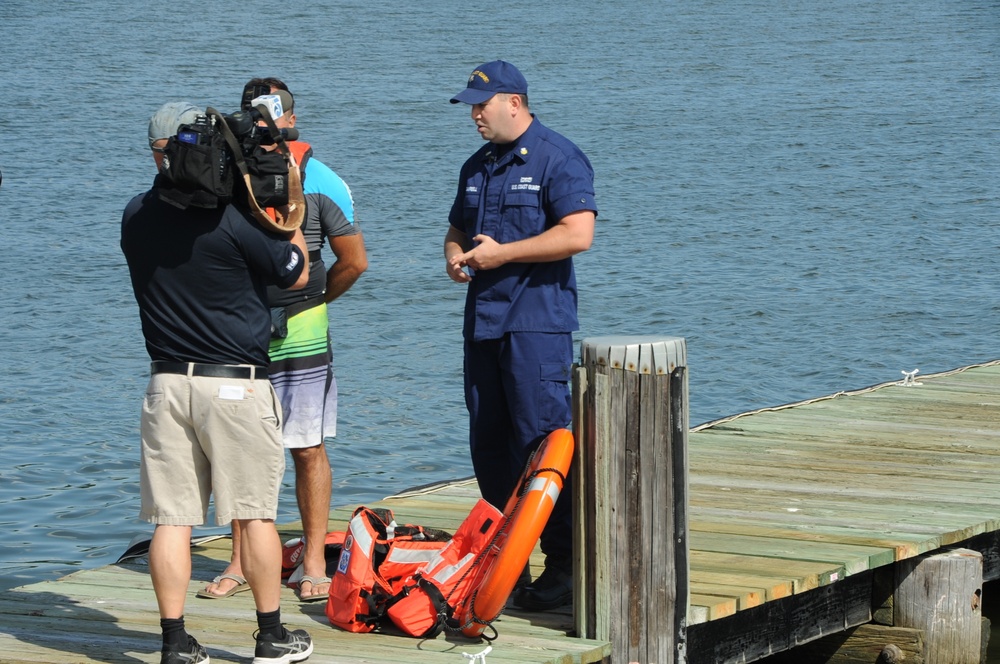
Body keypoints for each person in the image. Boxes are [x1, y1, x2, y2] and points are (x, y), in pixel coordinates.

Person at [123, 101, 314, 663]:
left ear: (160, 155)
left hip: (167, 385)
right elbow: (293, 270)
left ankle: (175, 643)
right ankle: (271, 636)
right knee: (253, 513)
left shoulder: (135, 215)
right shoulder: (234, 220)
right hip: (235, 385)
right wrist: (284, 208)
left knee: (172, 520)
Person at [200, 78, 367, 603]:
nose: (266, 133)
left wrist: (313, 304)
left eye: (274, 121)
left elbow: (354, 261)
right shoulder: (224, 179)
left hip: (303, 334)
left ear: (291, 118)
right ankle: (239, 560)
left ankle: (314, 559)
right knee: (236, 451)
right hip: (237, 336)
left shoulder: (323, 180)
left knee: (307, 448)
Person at [444, 61, 597, 611]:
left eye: (481, 106)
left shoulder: (558, 156)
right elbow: (457, 228)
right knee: (488, 442)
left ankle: (563, 566)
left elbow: (579, 234)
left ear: (514, 102)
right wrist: (455, 259)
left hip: (536, 323)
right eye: (469, 107)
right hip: (483, 321)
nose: (475, 116)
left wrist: (501, 254)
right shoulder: (477, 165)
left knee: (542, 443)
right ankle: (505, 561)